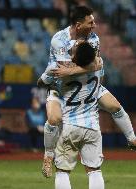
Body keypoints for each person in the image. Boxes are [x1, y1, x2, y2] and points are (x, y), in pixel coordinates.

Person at [38, 5, 136, 178]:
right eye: (90, 22)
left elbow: (92, 64)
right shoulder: (59, 39)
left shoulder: (93, 38)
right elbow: (68, 69)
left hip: (90, 84)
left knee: (115, 106)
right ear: (78, 25)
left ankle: (132, 140)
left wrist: (75, 69)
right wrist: (84, 67)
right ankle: (48, 155)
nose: (94, 26)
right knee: (54, 119)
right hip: (60, 87)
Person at [40, 40, 105, 189]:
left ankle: (50, 158)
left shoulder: (58, 68)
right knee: (94, 170)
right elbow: (95, 61)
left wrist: (50, 81)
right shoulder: (98, 65)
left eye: (75, 48)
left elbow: (41, 82)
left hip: (70, 126)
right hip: (93, 127)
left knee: (62, 171)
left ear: (74, 56)